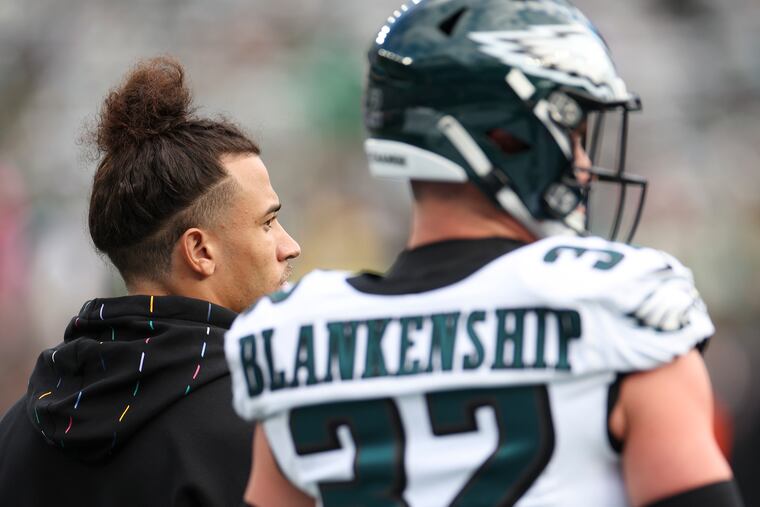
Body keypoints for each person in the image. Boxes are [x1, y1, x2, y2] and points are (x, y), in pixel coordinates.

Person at [225, 1, 742, 506]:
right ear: (506, 137)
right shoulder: (621, 305)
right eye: (573, 136)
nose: (583, 167)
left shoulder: (291, 336)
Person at [0, 56, 300, 506]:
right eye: (267, 223)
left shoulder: (18, 428)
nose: (289, 245)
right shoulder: (262, 426)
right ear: (200, 252)